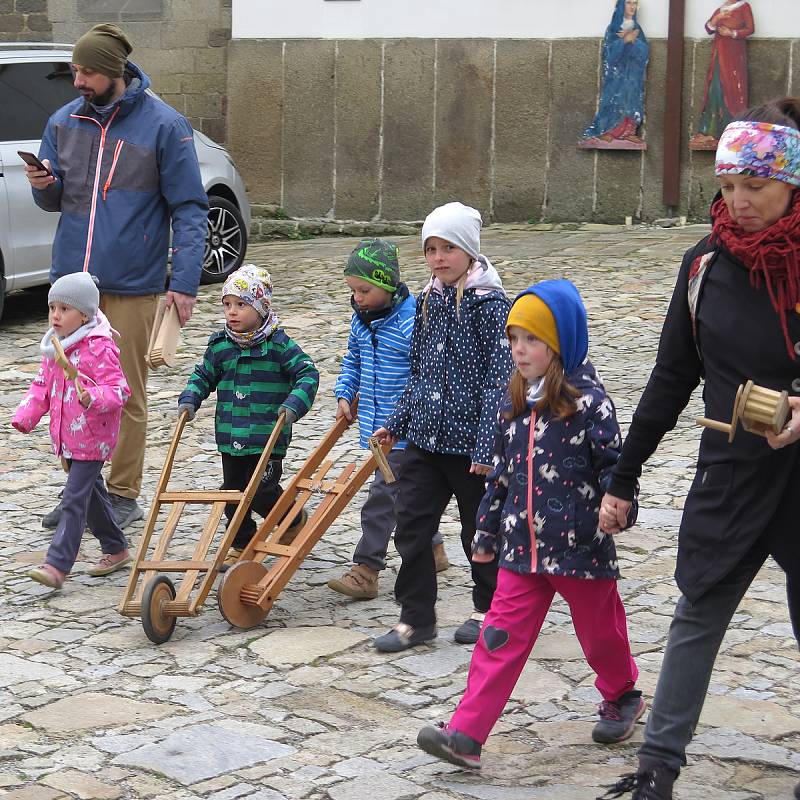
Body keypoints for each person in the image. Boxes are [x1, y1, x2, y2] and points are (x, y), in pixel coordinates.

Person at [598, 98, 800, 800]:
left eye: (757, 186)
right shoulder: (703, 267)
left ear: (792, 184)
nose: (738, 202)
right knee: (697, 611)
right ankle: (657, 767)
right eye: (728, 185)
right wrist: (623, 479)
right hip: (732, 474)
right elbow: (671, 379)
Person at [416, 280, 642, 769]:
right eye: (514, 338)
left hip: (579, 551)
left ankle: (622, 694)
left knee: (600, 634)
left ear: (560, 344)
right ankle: (466, 735)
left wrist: (619, 504)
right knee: (497, 638)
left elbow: (615, 468)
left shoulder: (590, 404)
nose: (519, 350)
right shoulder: (513, 403)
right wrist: (485, 531)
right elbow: (501, 475)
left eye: (532, 340)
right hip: (522, 551)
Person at [25, 23, 209, 531]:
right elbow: (55, 200)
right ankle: (83, 493)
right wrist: (44, 186)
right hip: (71, 284)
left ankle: (123, 492)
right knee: (68, 391)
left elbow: (191, 208)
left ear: (113, 72)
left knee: (122, 391)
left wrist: (185, 282)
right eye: (76, 71)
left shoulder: (165, 126)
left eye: (87, 71)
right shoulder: (63, 121)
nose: (78, 80)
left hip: (133, 282)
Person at [372, 201, 513, 652]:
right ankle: (416, 617)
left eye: (448, 247)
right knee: (411, 524)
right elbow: (419, 373)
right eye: (431, 248)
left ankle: (488, 608)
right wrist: (396, 422)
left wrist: (487, 445)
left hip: (472, 447)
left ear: (469, 250)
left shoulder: (491, 306)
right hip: (426, 442)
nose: (438, 257)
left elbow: (499, 379)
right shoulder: (428, 302)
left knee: (479, 530)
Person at [327, 238, 450, 600]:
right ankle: (433, 548)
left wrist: (402, 419)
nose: (358, 297)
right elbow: (353, 359)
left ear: (388, 284)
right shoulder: (361, 321)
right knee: (408, 497)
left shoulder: (412, 321)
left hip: (405, 431)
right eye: (353, 290)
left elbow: (424, 374)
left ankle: (366, 570)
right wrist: (345, 392)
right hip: (374, 428)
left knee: (382, 497)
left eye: (365, 290)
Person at [177, 265, 319, 564]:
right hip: (231, 437)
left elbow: (307, 374)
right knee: (231, 494)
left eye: (241, 305)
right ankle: (242, 543)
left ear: (262, 306)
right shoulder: (220, 346)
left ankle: (292, 520)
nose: (232, 312)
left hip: (267, 436)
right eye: (227, 304)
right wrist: (190, 398)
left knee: (260, 490)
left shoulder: (278, 346)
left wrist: (294, 403)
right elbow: (203, 375)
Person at [12, 272, 131, 590]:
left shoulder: (98, 349)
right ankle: (116, 548)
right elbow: (42, 386)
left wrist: (93, 397)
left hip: (93, 435)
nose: (55, 315)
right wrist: (27, 414)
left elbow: (119, 391)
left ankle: (57, 565)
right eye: (53, 307)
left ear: (85, 314)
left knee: (74, 498)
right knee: (91, 495)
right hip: (67, 437)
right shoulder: (55, 348)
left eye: (65, 309)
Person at [581, 0, 650, 147]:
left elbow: (644, 52)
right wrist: (624, 41)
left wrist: (634, 42)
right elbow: (609, 52)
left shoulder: (637, 29)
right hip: (616, 75)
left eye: (634, 3)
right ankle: (607, 130)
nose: (632, 6)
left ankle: (628, 132)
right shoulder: (613, 28)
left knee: (631, 99)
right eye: (629, 3)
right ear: (621, 5)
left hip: (632, 75)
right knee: (613, 99)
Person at [690, 1, 755, 147]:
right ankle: (711, 132)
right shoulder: (722, 8)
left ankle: (732, 131)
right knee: (715, 90)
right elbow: (708, 28)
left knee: (733, 92)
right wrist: (716, 18)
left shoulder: (744, 7)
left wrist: (731, 33)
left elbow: (750, 29)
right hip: (719, 57)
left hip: (734, 58)